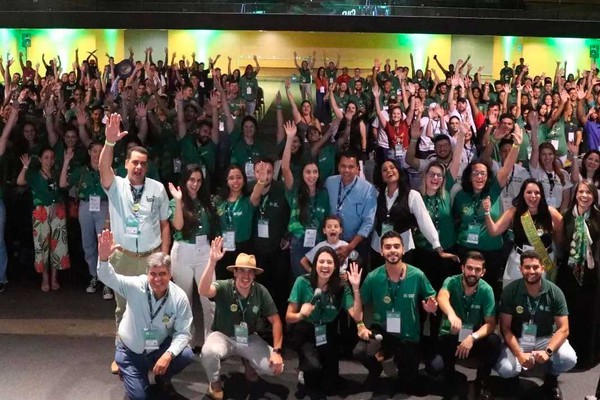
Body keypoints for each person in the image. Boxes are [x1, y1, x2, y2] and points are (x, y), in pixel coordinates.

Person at [99, 113, 171, 374]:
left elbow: (165, 224)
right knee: (123, 308)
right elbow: (103, 168)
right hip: (123, 257)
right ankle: (121, 353)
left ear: (147, 166)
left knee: (154, 306)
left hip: (151, 258)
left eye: (143, 163)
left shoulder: (157, 189)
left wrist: (164, 256)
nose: (138, 167)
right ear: (126, 164)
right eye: (134, 163)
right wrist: (109, 143)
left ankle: (152, 352)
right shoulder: (115, 186)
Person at [97, 230, 194, 400]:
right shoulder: (135, 286)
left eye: (162, 274)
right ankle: (129, 372)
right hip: (130, 351)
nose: (157, 279)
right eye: (153, 274)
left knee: (185, 354)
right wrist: (104, 258)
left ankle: (161, 376)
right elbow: (108, 277)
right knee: (141, 397)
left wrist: (168, 355)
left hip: (157, 348)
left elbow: (184, 332)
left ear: (170, 274)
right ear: (147, 274)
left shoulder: (179, 297)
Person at [353, 231, 438, 395]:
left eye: (396, 246)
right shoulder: (373, 277)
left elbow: (431, 297)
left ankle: (392, 361)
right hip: (382, 332)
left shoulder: (417, 275)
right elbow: (358, 304)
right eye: (388, 247)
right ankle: (376, 369)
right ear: (381, 251)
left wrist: (431, 308)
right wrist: (360, 324)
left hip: (408, 335)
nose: (392, 250)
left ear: (403, 250)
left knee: (408, 385)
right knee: (360, 351)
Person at [198, 237, 284, 400]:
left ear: (254, 275)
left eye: (250, 271)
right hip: (223, 336)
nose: (246, 275)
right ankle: (215, 383)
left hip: (249, 338)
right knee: (208, 352)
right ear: (235, 272)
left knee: (275, 368)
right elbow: (203, 290)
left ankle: (248, 363)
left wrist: (277, 351)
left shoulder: (260, 291)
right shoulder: (224, 286)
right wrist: (212, 263)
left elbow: (276, 321)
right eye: (242, 271)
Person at [496, 250, 577, 400]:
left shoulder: (555, 292)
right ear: (520, 269)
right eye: (527, 267)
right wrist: (519, 355)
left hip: (546, 338)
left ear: (542, 268)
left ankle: (551, 379)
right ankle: (514, 379)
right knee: (506, 369)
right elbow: (505, 328)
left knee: (569, 359)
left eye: (535, 267)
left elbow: (564, 329)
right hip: (519, 338)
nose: (531, 271)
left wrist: (548, 351)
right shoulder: (510, 291)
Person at [286, 247, 363, 394]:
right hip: (305, 331)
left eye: (330, 262)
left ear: (335, 266)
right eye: (321, 261)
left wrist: (355, 289)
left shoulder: (341, 286)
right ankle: (304, 368)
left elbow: (357, 316)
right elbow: (289, 316)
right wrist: (301, 314)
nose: (325, 266)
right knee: (312, 377)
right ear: (315, 264)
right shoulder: (302, 282)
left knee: (331, 385)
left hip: (328, 331)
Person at [430, 251, 501, 400]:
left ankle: (481, 381)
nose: (472, 273)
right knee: (435, 367)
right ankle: (453, 377)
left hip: (472, 336)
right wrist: (451, 314)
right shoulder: (451, 281)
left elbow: (491, 323)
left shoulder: (487, 290)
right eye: (469, 268)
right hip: (451, 333)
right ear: (462, 268)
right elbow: (442, 296)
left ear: (483, 272)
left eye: (477, 270)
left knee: (494, 341)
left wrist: (472, 338)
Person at [167, 164, 219, 349]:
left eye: (198, 180)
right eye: (191, 180)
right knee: (184, 299)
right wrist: (179, 200)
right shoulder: (176, 201)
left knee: (209, 298)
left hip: (204, 251)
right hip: (183, 251)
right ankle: (187, 340)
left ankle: (210, 340)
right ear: (185, 180)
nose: (195, 184)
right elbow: (179, 226)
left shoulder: (207, 201)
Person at [483, 178, 564, 286]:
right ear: (523, 194)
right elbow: (493, 231)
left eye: (537, 193)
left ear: (542, 195)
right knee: (512, 294)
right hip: (518, 260)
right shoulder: (514, 212)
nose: (533, 196)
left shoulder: (551, 213)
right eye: (529, 192)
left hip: (544, 261)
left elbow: (560, 239)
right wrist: (487, 212)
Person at [59, 140, 113, 299]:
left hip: (103, 206)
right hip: (85, 206)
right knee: (88, 243)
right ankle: (93, 276)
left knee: (104, 243)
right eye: (94, 151)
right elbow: (63, 183)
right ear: (89, 152)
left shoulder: (108, 170)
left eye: (100, 151)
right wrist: (66, 161)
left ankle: (107, 282)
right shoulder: (81, 171)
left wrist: (110, 216)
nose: (97, 154)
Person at [558, 180, 600, 369]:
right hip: (568, 273)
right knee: (570, 313)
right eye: (581, 191)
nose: (584, 195)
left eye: (588, 193)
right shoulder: (566, 216)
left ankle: (586, 356)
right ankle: (567, 353)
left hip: (591, 273)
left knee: (588, 314)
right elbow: (560, 243)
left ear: (594, 196)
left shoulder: (598, 217)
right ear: (576, 194)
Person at [17, 147, 70, 292]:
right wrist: (26, 166)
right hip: (41, 211)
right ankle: (45, 278)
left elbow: (63, 185)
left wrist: (65, 162)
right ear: (40, 159)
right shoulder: (34, 175)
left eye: (51, 157)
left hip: (57, 210)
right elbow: (20, 181)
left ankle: (54, 278)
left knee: (57, 245)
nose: (49, 160)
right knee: (42, 244)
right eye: (45, 157)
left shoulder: (57, 173)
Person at [282, 122, 330, 278]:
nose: (312, 175)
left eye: (315, 172)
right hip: (298, 242)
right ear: (302, 174)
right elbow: (285, 168)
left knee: (320, 279)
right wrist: (289, 139)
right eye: (308, 172)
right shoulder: (295, 190)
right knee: (301, 280)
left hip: (319, 241)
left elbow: (327, 220)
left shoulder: (323, 194)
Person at [324, 152, 377, 266]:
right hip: (332, 240)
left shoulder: (368, 189)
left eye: (351, 167)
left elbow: (368, 222)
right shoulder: (329, 182)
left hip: (357, 243)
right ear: (338, 167)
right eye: (343, 166)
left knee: (355, 278)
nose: (346, 170)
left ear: (358, 168)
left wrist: (350, 247)